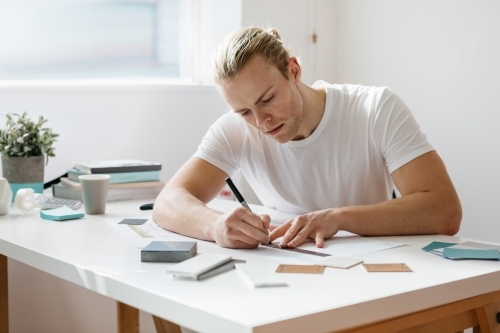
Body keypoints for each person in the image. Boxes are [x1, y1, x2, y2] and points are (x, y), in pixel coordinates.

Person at [152, 26, 462, 249]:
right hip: (291, 276)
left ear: (294, 70)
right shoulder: (236, 130)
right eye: (244, 112)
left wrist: (338, 218)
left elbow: (445, 211)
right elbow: (168, 201)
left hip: (371, 274)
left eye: (267, 100)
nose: (260, 122)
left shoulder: (375, 108)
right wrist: (215, 225)